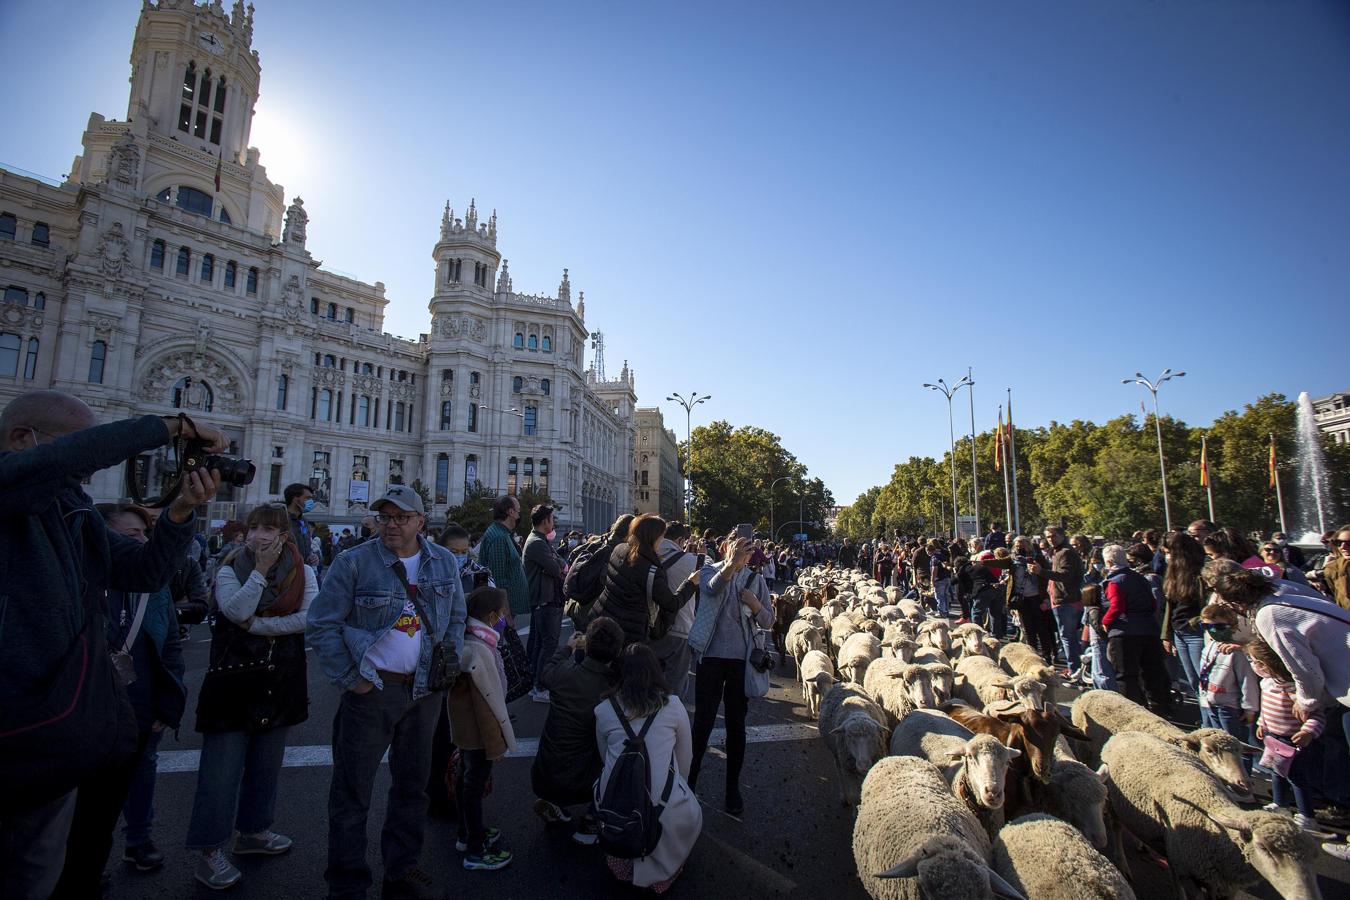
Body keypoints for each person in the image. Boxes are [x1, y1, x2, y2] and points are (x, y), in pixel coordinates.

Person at [0, 392, 222, 900]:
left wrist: (182, 510)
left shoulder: (73, 510)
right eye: (79, 450)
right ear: (20, 440)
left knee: (38, 869)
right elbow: (66, 459)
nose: (85, 470)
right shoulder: (9, 488)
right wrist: (171, 428)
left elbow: (144, 572)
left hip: (58, 722)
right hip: (14, 717)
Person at [308, 484, 467, 900]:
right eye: (385, 517)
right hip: (372, 690)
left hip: (424, 693)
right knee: (352, 792)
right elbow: (323, 624)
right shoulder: (354, 562)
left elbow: (456, 618)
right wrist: (352, 679)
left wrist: (444, 663)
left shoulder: (443, 562)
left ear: (420, 521)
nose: (391, 525)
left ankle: (402, 870)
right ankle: (346, 883)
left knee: (412, 787)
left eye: (400, 517)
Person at [186, 502, 316, 890]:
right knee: (221, 770)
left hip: (281, 677)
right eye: (256, 527)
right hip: (234, 680)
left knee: (266, 763)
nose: (261, 535)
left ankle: (254, 830)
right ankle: (210, 850)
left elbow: (308, 617)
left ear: (284, 535)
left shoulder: (303, 571)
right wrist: (259, 572)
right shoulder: (231, 568)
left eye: (270, 529)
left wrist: (257, 625)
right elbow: (234, 608)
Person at [89, 505, 187, 877]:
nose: (143, 542)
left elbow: (171, 644)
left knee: (142, 769)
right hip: (92, 701)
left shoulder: (153, 584)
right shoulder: (86, 580)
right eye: (132, 536)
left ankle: (139, 839)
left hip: (141, 698)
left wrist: (168, 700)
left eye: (145, 534)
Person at [594, 644, 701, 892]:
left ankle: (622, 863)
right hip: (664, 808)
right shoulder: (674, 706)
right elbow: (685, 760)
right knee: (687, 809)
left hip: (615, 804)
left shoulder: (603, 710)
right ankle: (662, 870)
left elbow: (604, 758)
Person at [685, 534, 774, 815]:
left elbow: (769, 620)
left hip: (741, 662)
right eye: (738, 548)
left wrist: (756, 604)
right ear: (726, 548)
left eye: (748, 550)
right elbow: (710, 589)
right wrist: (731, 564)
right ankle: (688, 785)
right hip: (710, 657)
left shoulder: (755, 580)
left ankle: (732, 788)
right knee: (702, 725)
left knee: (737, 726)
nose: (744, 555)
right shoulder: (712, 569)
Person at [531, 616, 624, 839]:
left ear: (586, 644)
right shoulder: (611, 690)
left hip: (544, 772)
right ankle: (592, 819)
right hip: (583, 780)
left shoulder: (564, 675)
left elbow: (546, 673)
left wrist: (567, 648)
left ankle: (556, 804)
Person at [447, 586, 516, 871]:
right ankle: (475, 850)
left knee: (467, 782)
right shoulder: (479, 650)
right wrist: (496, 744)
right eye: (502, 613)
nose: (504, 617)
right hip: (478, 732)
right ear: (490, 616)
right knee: (473, 786)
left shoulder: (470, 639)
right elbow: (485, 701)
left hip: (467, 730)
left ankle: (466, 834)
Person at [1246, 638, 1328, 835]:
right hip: (1273, 737)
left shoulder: (1292, 689)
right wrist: (1262, 723)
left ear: (1267, 665)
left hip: (1292, 741)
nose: (1252, 665)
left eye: (1254, 661)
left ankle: (1307, 817)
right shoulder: (1267, 683)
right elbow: (1266, 709)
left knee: (1297, 778)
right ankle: (1280, 804)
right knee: (1277, 773)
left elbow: (1317, 715)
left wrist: (1308, 731)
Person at [591, 514, 683, 648]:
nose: (663, 540)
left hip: (604, 618)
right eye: (662, 536)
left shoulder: (619, 549)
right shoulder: (650, 569)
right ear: (653, 537)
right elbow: (671, 604)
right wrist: (691, 583)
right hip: (629, 631)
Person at [1101, 543, 1171, 713]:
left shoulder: (1114, 581)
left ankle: (1132, 710)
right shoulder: (1141, 578)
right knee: (1152, 672)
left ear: (1109, 562)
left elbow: (1117, 606)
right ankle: (1159, 708)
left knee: (1126, 675)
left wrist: (1105, 621)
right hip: (1148, 629)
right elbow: (1153, 603)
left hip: (1125, 632)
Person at [647, 521, 701, 698]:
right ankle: (671, 720)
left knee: (649, 679)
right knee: (675, 684)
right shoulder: (693, 562)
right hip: (680, 628)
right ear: (680, 540)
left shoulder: (647, 556)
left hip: (650, 626)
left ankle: (648, 718)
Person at [1196, 603, 1259, 743]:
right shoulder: (1209, 647)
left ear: (1234, 626)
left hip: (1230, 707)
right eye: (1206, 627)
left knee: (1235, 744)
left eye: (1219, 627)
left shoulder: (1236, 653)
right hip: (1210, 702)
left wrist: (1250, 709)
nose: (1212, 631)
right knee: (1216, 743)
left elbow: (1247, 682)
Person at [523, 504, 566, 703]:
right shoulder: (536, 543)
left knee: (542, 643)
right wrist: (558, 564)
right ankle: (540, 686)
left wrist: (558, 563)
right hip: (544, 598)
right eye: (551, 519)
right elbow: (556, 567)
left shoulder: (541, 541)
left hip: (547, 597)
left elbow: (559, 561)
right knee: (548, 644)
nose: (554, 522)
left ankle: (536, 683)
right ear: (544, 521)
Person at [1162, 531, 1209, 698]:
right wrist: (1167, 635)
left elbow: (1207, 605)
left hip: (1196, 631)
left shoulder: (1201, 574)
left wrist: (1197, 623)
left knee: (1205, 680)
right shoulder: (1173, 574)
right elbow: (1170, 607)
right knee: (1193, 680)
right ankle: (1205, 718)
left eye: (1168, 553)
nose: (1166, 557)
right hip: (1179, 632)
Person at [1037, 525, 1084, 676]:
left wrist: (1041, 572)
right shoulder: (1058, 552)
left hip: (1066, 600)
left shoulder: (1066, 553)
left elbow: (1065, 576)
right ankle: (1075, 667)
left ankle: (1074, 669)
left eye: (1054, 536)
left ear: (1063, 536)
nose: (1051, 539)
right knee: (1068, 636)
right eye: (1048, 537)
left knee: (1068, 636)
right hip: (1060, 599)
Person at [478, 496, 529, 626]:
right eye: (518, 511)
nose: (519, 515)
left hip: (508, 607)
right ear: (510, 512)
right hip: (503, 611)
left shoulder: (503, 533)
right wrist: (506, 615)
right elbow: (499, 579)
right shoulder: (498, 537)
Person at [283, 483, 320, 569]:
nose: (311, 501)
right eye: (307, 498)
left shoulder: (304, 521)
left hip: (303, 570)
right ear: (296, 500)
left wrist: (312, 555)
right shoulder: (281, 520)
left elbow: (306, 544)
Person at [1321, 525, 1350, 611]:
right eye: (1338, 543)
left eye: (1349, 543)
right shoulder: (1332, 568)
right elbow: (1336, 594)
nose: (1342, 547)